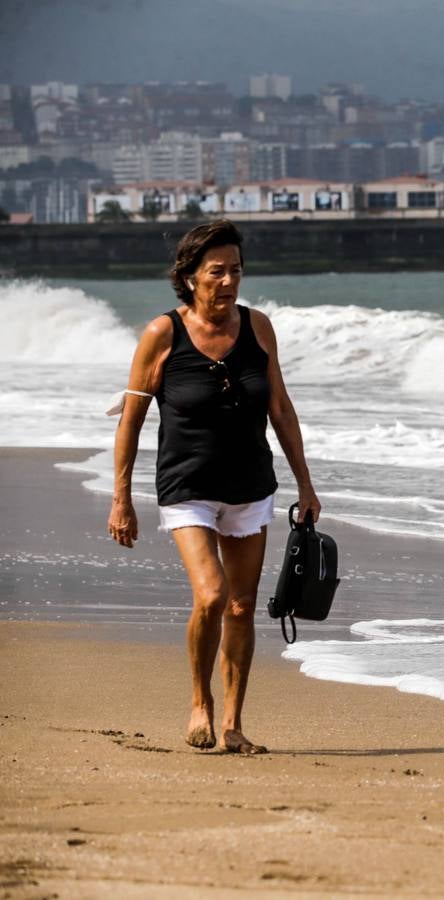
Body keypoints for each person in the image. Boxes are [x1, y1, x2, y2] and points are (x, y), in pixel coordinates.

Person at [106, 219, 320, 754]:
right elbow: (130, 419)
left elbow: (280, 408)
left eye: (236, 271)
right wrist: (121, 499)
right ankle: (199, 702)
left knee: (243, 608)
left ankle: (233, 724)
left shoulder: (258, 327)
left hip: (251, 484)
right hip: (187, 486)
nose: (228, 282)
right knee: (213, 594)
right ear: (189, 276)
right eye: (216, 272)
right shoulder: (162, 334)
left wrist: (306, 484)